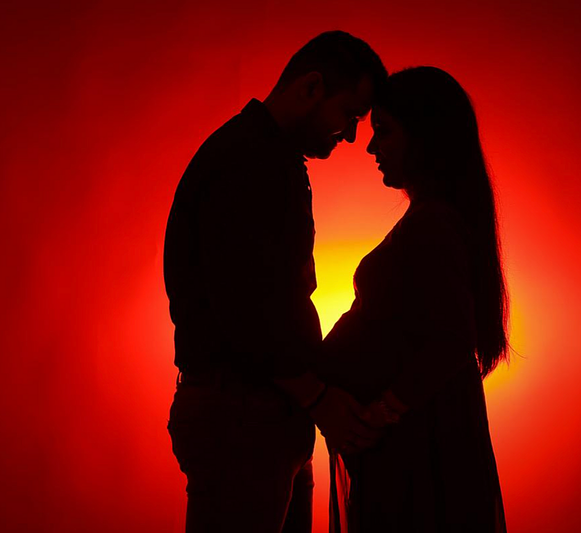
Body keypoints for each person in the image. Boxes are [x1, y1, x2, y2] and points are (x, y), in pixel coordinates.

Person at [163, 31, 387, 533]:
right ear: (311, 87)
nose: (352, 135)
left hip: (261, 412)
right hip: (243, 415)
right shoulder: (248, 163)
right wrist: (318, 398)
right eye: (350, 114)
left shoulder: (265, 159)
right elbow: (246, 310)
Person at [317, 66, 508, 532]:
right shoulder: (430, 220)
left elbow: (452, 339)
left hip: (418, 455)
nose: (371, 147)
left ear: (424, 136)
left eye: (383, 131)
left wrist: (381, 412)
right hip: (413, 448)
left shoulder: (434, 226)